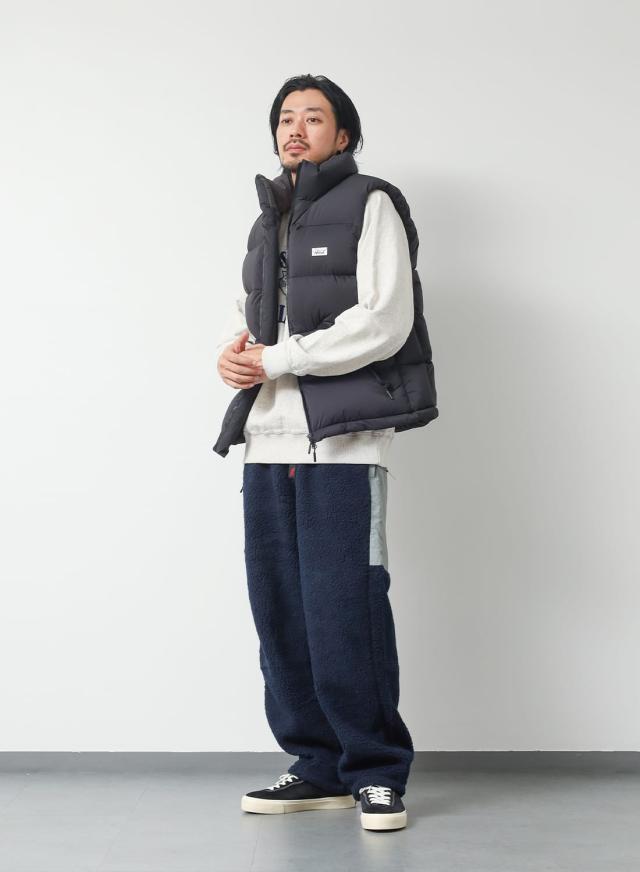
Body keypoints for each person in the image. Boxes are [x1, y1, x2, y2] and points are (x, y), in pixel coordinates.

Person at [213, 74, 438, 832]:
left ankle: (374, 771)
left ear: (343, 136)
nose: (296, 128)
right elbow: (254, 319)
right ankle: (315, 765)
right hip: (266, 438)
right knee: (280, 610)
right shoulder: (266, 221)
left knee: (346, 606)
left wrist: (279, 360)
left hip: (342, 441)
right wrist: (236, 356)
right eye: (286, 117)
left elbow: (385, 320)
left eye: (314, 117)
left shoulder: (372, 203)